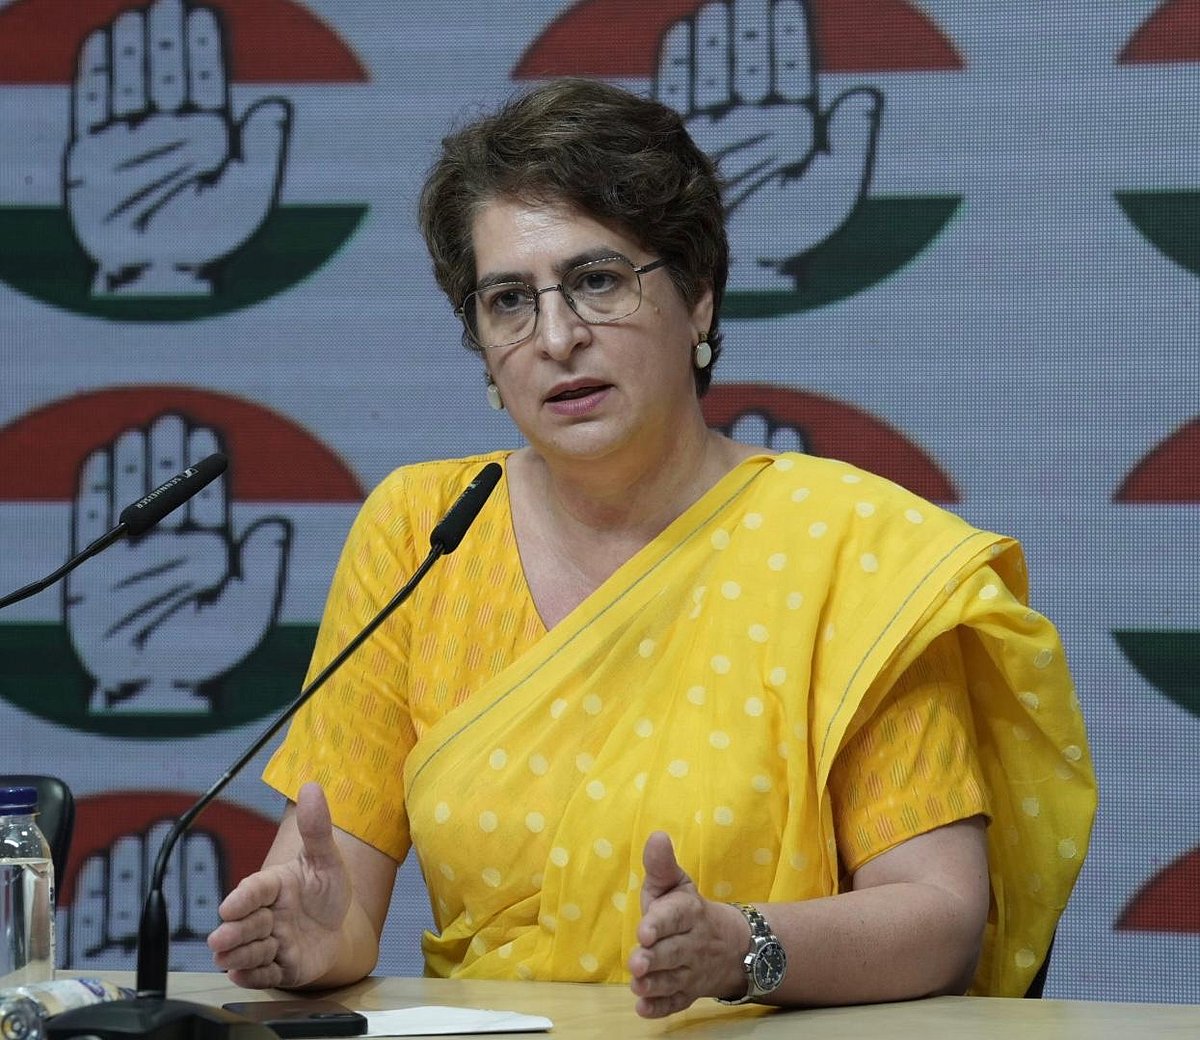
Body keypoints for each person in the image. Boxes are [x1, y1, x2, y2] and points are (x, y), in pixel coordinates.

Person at [206, 78, 1096, 1018]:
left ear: (699, 300)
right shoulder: (425, 528)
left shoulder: (850, 551)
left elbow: (942, 916)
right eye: (509, 299)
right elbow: (336, 899)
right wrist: (311, 939)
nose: (556, 338)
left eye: (597, 281)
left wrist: (740, 946)